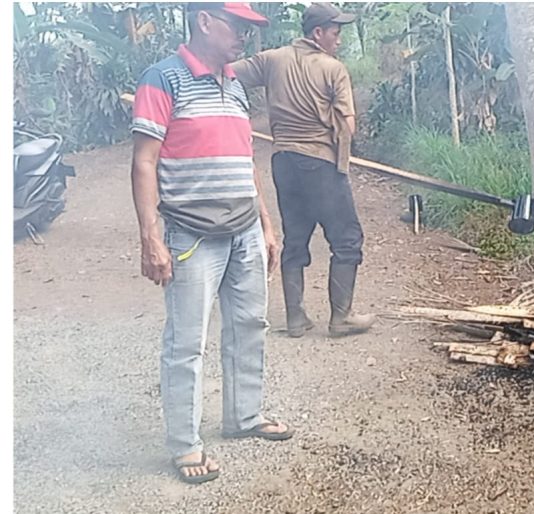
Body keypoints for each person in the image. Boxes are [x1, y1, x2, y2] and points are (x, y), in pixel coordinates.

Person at [130, 2, 294, 485]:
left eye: (248, 28)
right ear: (204, 20)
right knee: (187, 343)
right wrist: (150, 238)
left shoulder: (236, 84)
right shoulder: (162, 80)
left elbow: (244, 160)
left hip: (243, 228)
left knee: (250, 325)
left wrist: (265, 224)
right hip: (190, 234)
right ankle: (185, 444)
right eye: (237, 26)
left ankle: (243, 416)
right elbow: (144, 163)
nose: (244, 35)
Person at [231, 3, 375, 339]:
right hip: (320, 163)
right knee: (346, 239)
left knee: (295, 239)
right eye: (336, 34)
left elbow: (226, 72)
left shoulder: (271, 60)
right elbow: (347, 127)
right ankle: (342, 317)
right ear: (318, 33)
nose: (338, 41)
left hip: (284, 161)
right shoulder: (333, 69)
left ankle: (296, 319)